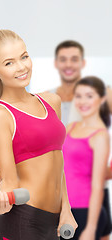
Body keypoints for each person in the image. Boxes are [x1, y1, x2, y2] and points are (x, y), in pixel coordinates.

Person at [0, 29, 77, 240]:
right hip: (21, 222)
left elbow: (57, 162)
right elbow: (8, 180)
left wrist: (66, 209)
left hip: (52, 223)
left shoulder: (52, 102)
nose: (22, 67)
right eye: (9, 63)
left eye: (24, 57)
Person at [52, 41, 112, 240]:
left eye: (74, 59)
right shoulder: (49, 101)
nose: (69, 64)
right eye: (63, 59)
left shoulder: (102, 97)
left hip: (91, 199)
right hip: (63, 203)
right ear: (56, 63)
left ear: (83, 62)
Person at [62, 76, 111, 240]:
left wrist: (91, 228)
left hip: (85, 210)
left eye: (89, 96)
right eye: (79, 96)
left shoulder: (100, 136)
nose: (83, 101)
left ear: (102, 99)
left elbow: (98, 185)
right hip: (64, 209)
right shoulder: (70, 127)